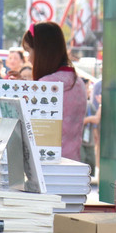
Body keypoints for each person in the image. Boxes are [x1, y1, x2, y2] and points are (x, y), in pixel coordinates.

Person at [22, 21, 86, 162]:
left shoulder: (46, 85)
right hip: (72, 163)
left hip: (46, 165)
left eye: (29, 51)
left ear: (41, 51)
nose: (28, 58)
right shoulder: (78, 83)